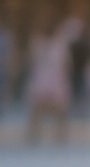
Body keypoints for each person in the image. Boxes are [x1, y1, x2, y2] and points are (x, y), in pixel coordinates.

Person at [25, 15, 73, 144]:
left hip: (41, 79)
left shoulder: (37, 43)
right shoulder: (60, 44)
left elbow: (31, 61)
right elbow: (66, 64)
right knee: (59, 113)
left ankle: (33, 137)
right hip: (56, 80)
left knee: (38, 112)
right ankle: (60, 138)